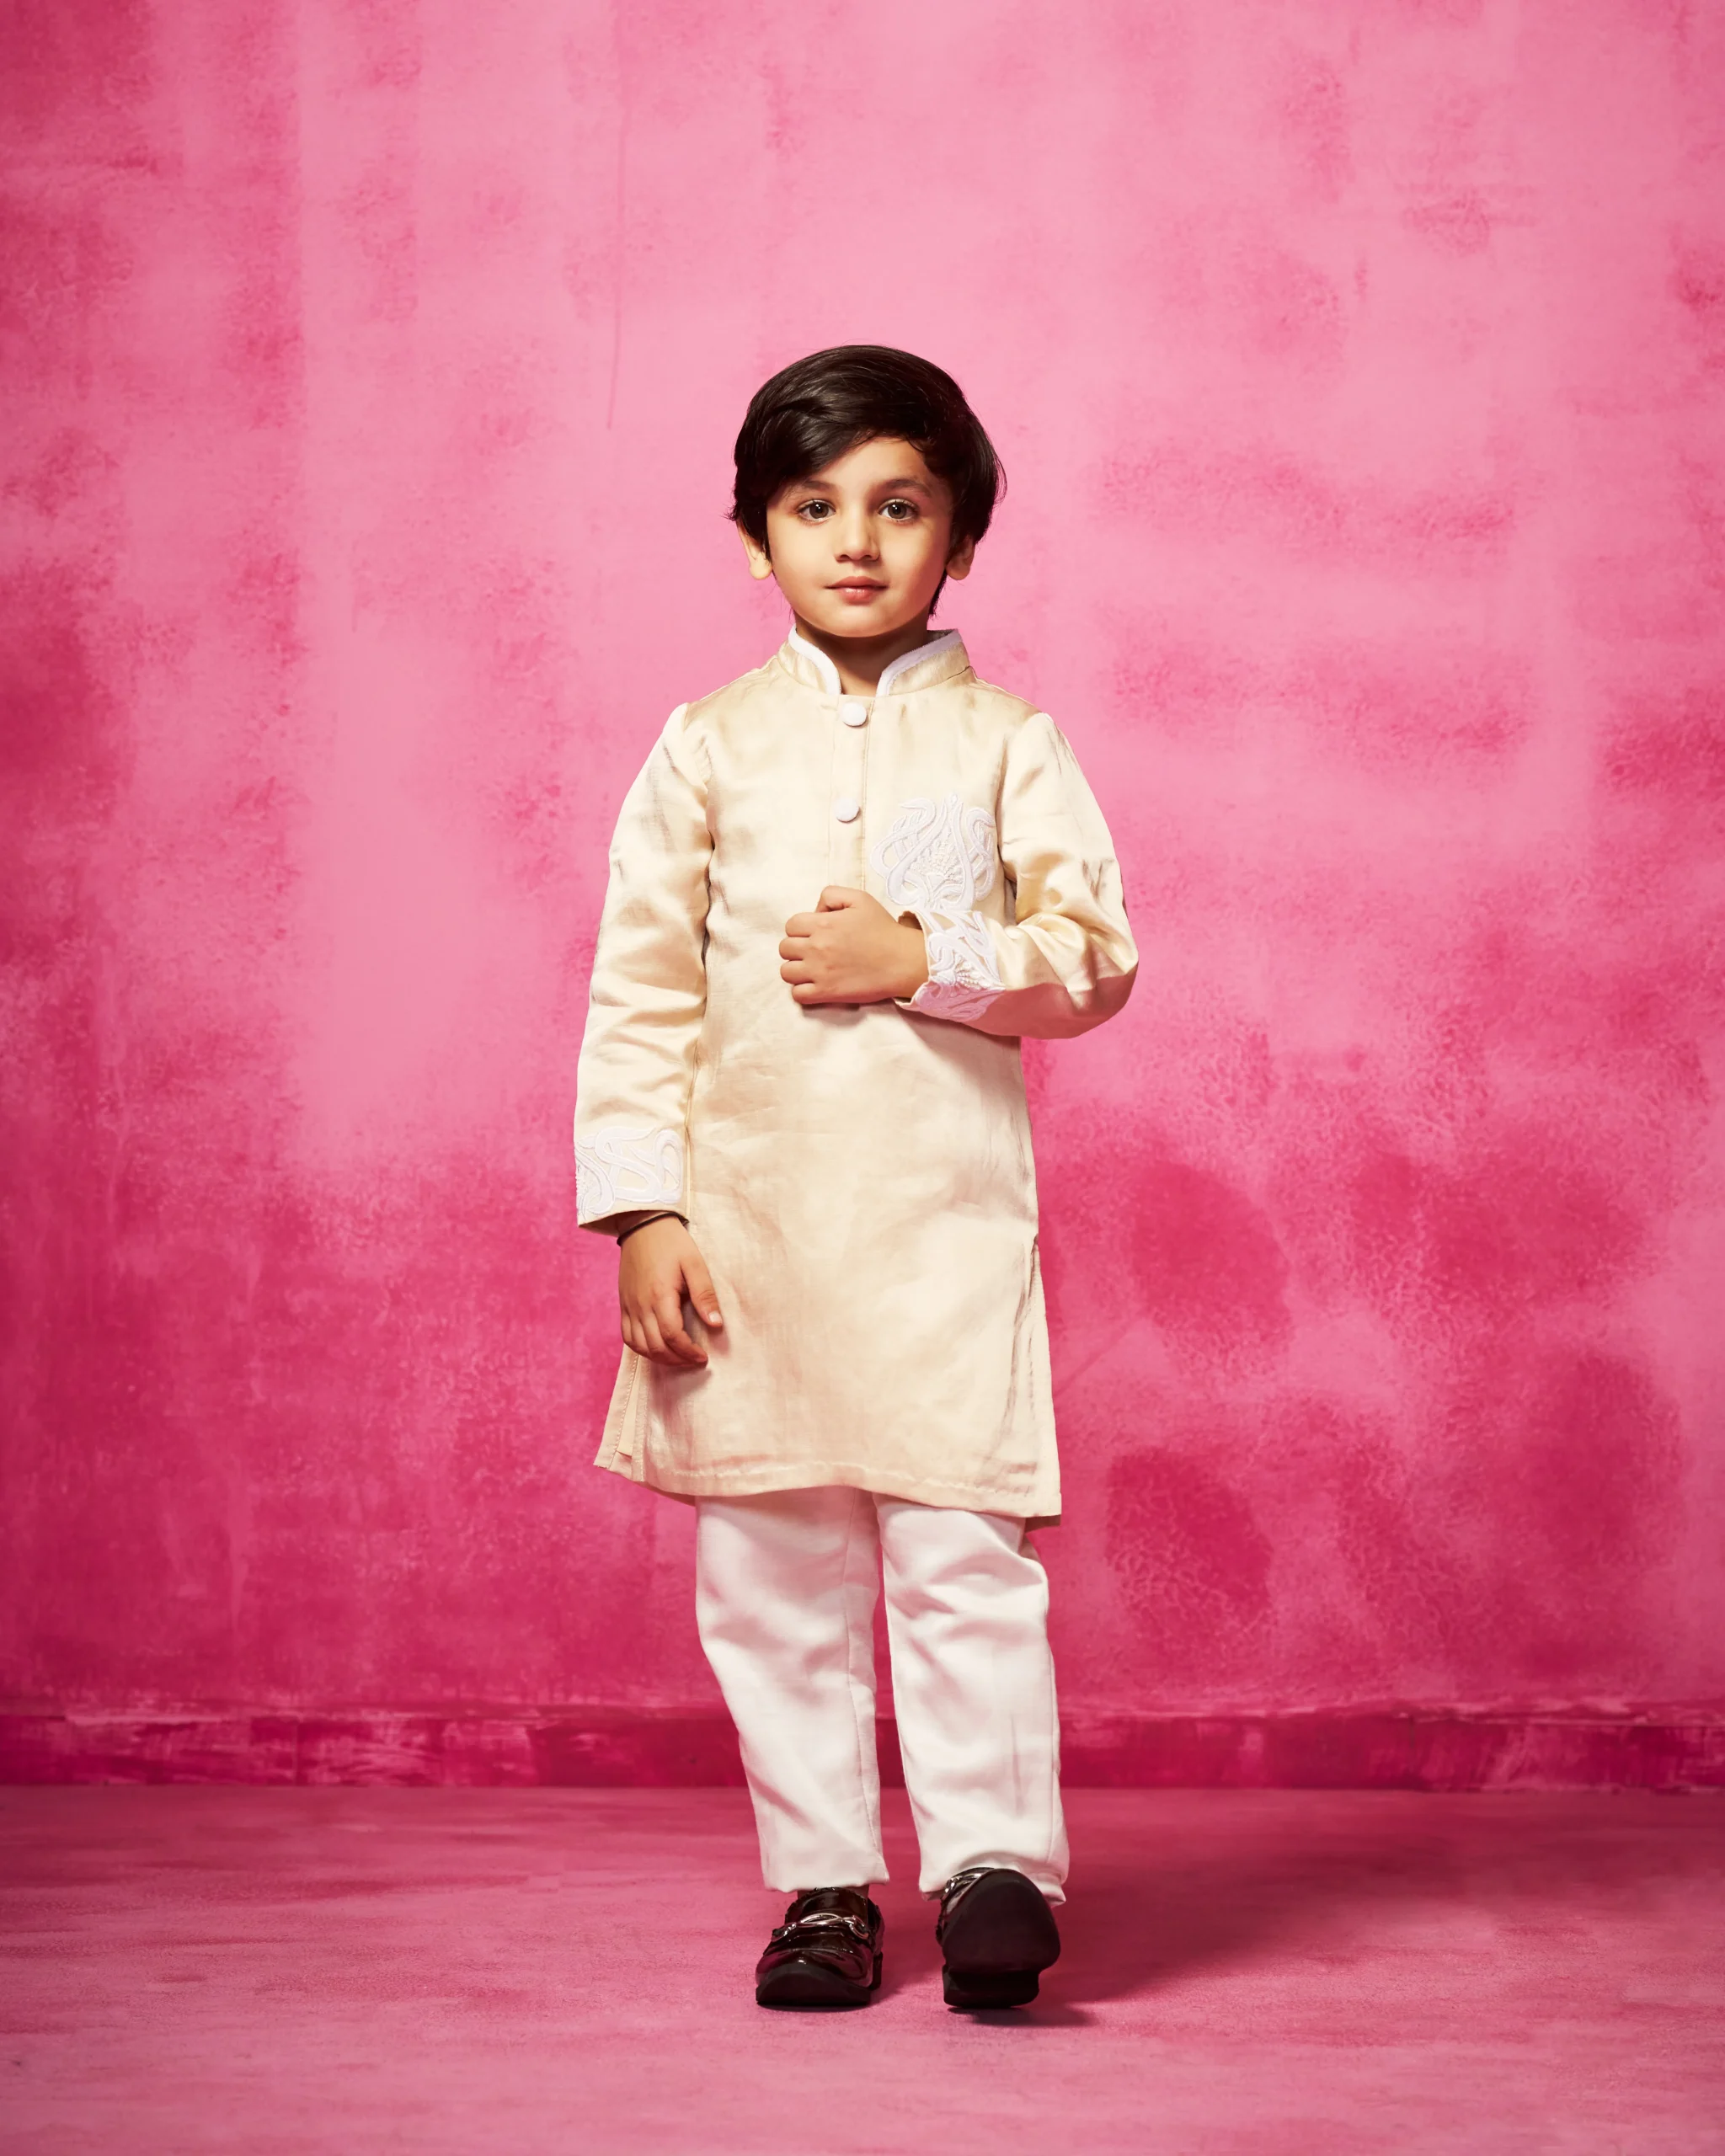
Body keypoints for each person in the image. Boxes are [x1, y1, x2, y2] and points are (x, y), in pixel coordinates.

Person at [573, 345, 1136, 2009]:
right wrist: (644, 1212)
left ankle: (992, 1871)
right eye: (815, 508)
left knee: (962, 1551)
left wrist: (925, 958)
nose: (858, 543)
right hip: (746, 1235)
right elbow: (638, 992)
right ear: (755, 538)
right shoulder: (705, 748)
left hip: (941, 1230)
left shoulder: (1008, 742)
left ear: (961, 532)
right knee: (769, 1571)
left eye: (900, 506)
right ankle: (823, 1886)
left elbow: (1094, 956)